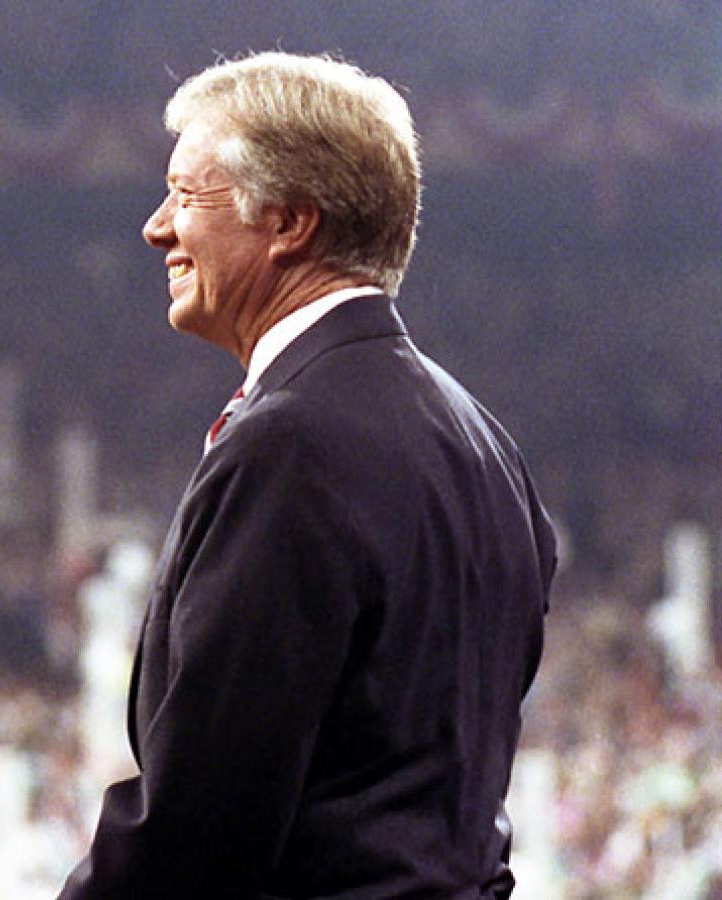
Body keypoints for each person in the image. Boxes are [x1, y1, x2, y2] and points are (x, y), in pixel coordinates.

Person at [58, 51, 557, 899]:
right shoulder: (484, 443)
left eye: (186, 194)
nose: (156, 226)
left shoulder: (290, 444)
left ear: (289, 221)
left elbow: (202, 828)